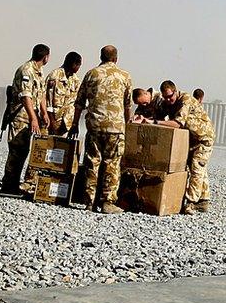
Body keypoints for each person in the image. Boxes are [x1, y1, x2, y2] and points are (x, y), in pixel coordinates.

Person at [68, 45, 132, 214]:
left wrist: (74, 124)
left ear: (101, 57)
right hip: (115, 128)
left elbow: (79, 103)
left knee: (92, 162)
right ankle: (107, 202)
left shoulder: (91, 74)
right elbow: (127, 105)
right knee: (112, 164)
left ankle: (89, 201)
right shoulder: (125, 76)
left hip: (95, 126)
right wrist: (127, 124)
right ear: (116, 59)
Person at [138, 80, 215, 214]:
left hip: (203, 138)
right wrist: (142, 118)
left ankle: (191, 203)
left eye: (170, 96)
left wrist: (154, 122)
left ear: (175, 91)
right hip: (192, 138)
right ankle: (203, 200)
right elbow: (159, 115)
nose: (168, 100)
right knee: (197, 168)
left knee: (197, 168)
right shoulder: (169, 103)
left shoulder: (185, 100)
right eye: (165, 97)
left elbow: (178, 123)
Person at [1, 44, 50, 194]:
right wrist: (33, 118)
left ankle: (13, 184)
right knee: (17, 151)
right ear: (46, 57)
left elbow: (40, 93)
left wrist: (44, 112)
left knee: (23, 151)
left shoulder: (39, 71)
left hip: (29, 116)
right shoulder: (26, 70)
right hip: (21, 117)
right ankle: (9, 184)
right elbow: (25, 96)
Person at [45, 51, 82, 136]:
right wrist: (52, 122)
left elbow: (75, 104)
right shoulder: (54, 76)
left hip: (66, 125)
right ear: (72, 64)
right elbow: (47, 102)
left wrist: (74, 124)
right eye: (78, 65)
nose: (79, 67)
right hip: (51, 121)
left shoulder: (75, 80)